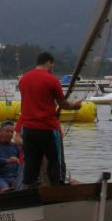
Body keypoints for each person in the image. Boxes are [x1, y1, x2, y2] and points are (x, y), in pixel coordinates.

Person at [18, 52, 82, 187]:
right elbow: (63, 103)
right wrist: (74, 106)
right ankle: (57, 189)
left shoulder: (23, 79)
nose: (52, 67)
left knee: (31, 162)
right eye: (52, 64)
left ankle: (29, 189)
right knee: (55, 161)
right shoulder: (52, 80)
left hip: (28, 129)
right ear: (48, 62)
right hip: (47, 127)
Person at [0, 120, 24, 192]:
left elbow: (20, 165)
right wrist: (8, 160)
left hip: (13, 178)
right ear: (0, 132)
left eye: (12, 132)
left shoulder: (15, 147)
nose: (10, 134)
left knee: (22, 183)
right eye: (7, 131)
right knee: (3, 187)